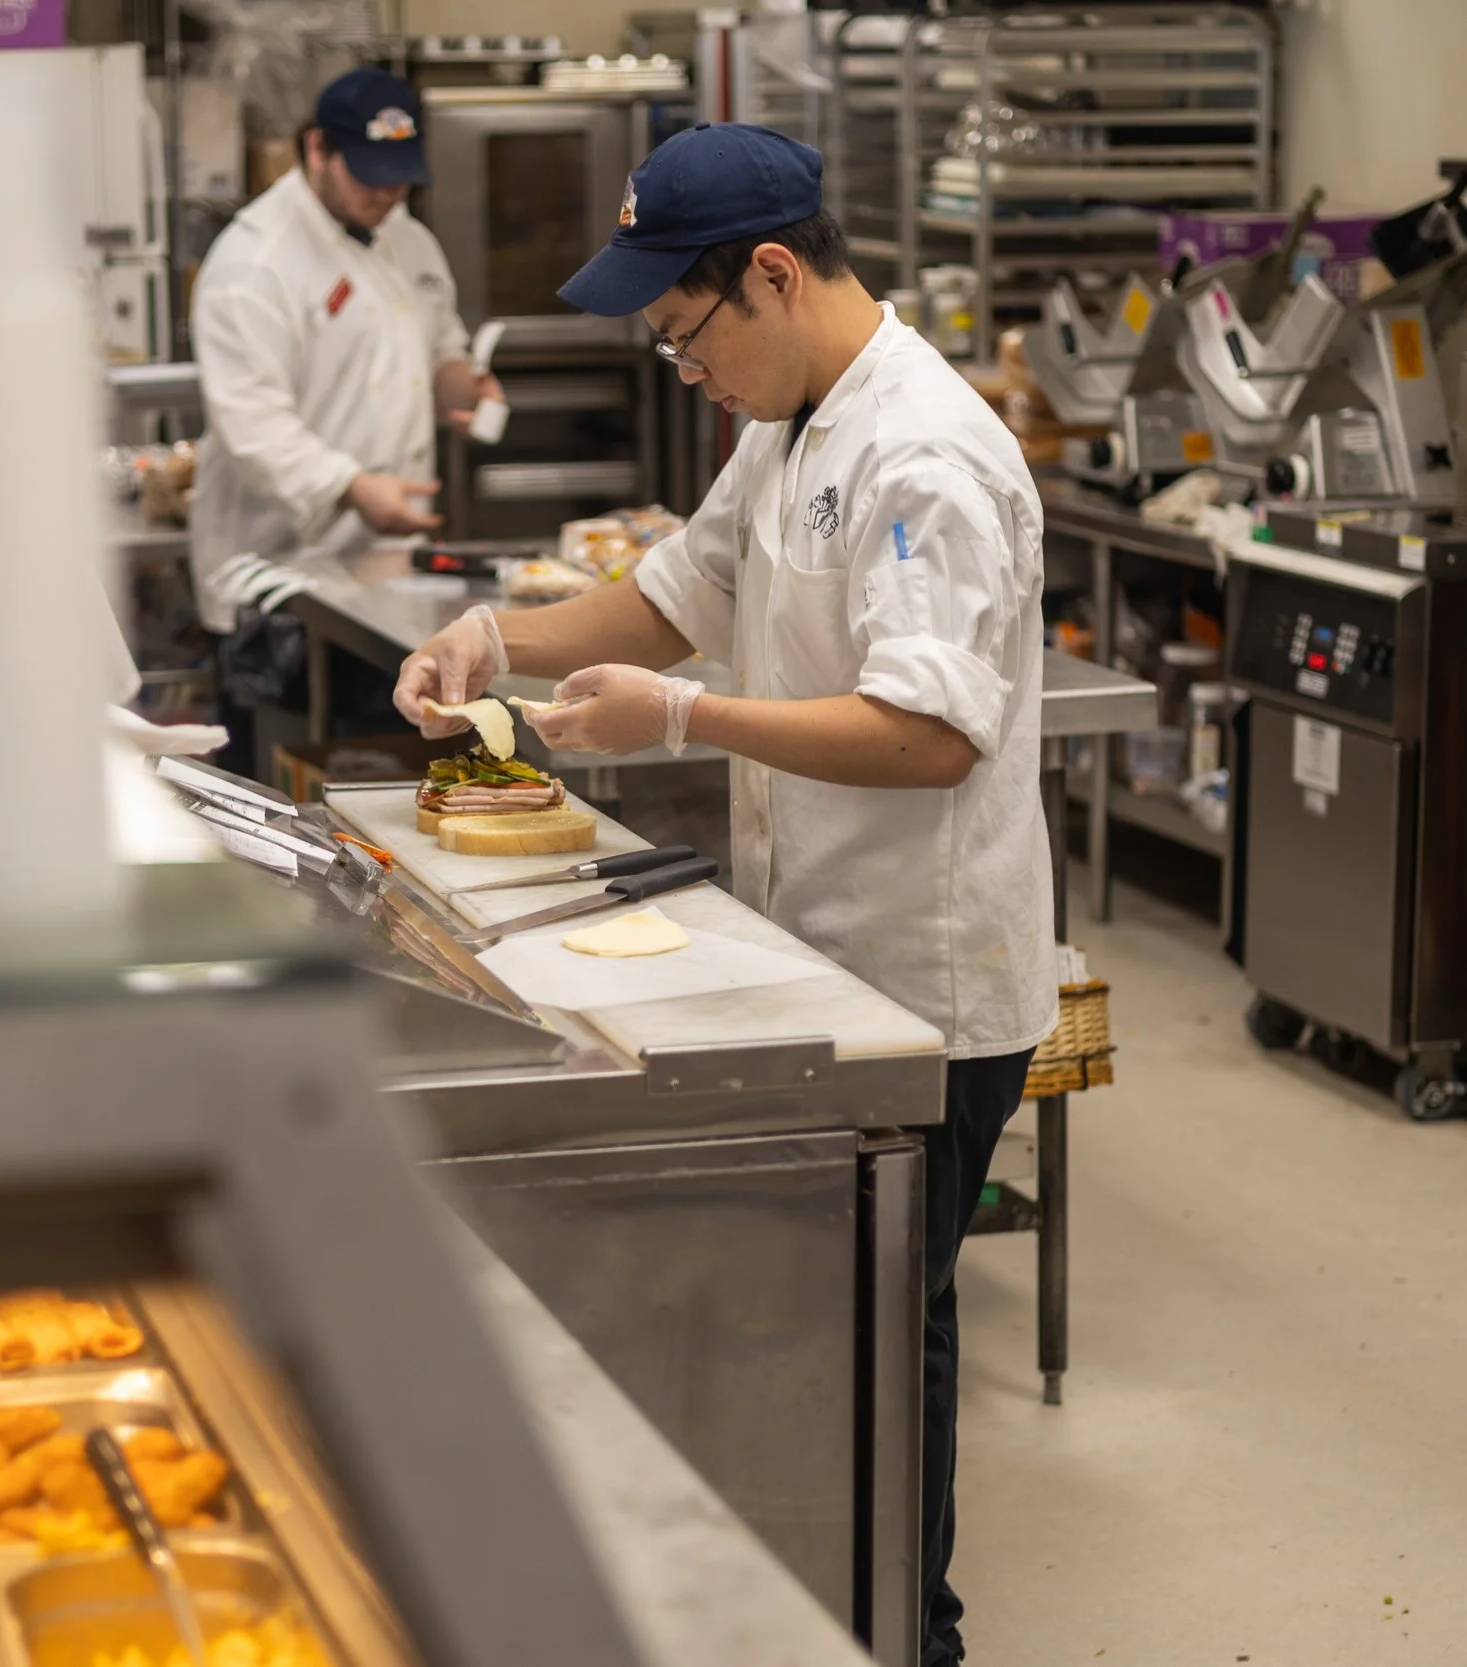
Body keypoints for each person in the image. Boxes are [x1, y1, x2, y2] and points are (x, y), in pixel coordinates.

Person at [391, 123, 1055, 1667]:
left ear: (771, 273)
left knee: (894, 1328)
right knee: (830, 1319)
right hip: (828, 955)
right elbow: (684, 592)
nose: (681, 367)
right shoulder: (793, 419)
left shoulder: (924, 452)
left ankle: (911, 1630)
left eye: (684, 337)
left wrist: (679, 721)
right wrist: (499, 634)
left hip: (931, 983)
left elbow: (933, 731)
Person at [189, 68, 500, 769]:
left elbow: (439, 341)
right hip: (277, 577)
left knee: (384, 776)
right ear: (317, 149)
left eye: (400, 176)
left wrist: (464, 381)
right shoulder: (254, 263)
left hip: (384, 575)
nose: (387, 193)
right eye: (369, 174)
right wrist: (354, 487)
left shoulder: (406, 236)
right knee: (282, 787)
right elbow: (251, 423)